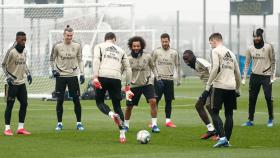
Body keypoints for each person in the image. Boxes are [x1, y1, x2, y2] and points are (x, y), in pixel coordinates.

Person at [92, 32, 133, 144]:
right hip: (116, 78)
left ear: (105, 39)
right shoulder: (121, 50)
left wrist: (95, 77)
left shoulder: (99, 46)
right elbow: (128, 69)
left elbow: (96, 60)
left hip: (102, 76)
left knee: (100, 102)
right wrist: (128, 86)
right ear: (114, 39)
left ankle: (111, 115)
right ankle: (122, 135)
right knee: (117, 106)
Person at [202, 33, 241, 147]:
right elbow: (237, 73)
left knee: (214, 112)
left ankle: (223, 138)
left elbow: (214, 69)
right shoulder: (232, 54)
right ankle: (227, 141)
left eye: (210, 43)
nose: (211, 46)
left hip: (219, 86)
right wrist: (237, 88)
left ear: (214, 41)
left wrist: (208, 86)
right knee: (229, 114)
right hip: (231, 87)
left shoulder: (215, 51)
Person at [50, 25, 85, 131]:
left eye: (71, 35)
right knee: (60, 100)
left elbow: (80, 60)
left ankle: (79, 123)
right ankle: (59, 123)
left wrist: (82, 73)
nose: (69, 37)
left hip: (73, 76)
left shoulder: (77, 46)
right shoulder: (57, 46)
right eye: (67, 35)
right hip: (61, 76)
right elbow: (52, 59)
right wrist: (53, 70)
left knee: (76, 100)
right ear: (64, 35)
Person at [124, 36, 160, 133]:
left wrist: (158, 77)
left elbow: (153, 67)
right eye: (134, 46)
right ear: (131, 47)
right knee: (129, 107)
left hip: (147, 84)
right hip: (133, 86)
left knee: (153, 101)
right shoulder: (128, 58)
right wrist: (124, 86)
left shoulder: (147, 56)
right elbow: (122, 71)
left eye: (138, 46)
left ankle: (154, 125)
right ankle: (126, 125)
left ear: (141, 46)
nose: (136, 48)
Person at [241, 28, 276, 127]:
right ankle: (250, 120)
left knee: (268, 97)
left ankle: (270, 119)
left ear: (261, 37)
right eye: (255, 36)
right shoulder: (250, 48)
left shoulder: (269, 47)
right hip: (254, 76)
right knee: (252, 98)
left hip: (266, 76)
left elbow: (273, 61)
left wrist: (272, 76)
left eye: (258, 36)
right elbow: (247, 63)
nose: (256, 38)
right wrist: (244, 77)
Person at [182, 50, 218, 140]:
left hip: (214, 86)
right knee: (199, 106)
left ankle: (219, 133)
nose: (187, 62)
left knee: (210, 107)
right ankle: (211, 130)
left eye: (187, 59)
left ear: (192, 57)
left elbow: (211, 68)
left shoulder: (199, 61)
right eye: (185, 61)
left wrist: (214, 82)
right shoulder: (194, 65)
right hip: (208, 87)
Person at [2, 31, 32, 136]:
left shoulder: (24, 51)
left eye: (25, 40)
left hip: (21, 83)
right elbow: (3, 65)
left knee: (24, 104)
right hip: (11, 84)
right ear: (17, 39)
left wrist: (28, 74)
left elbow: (24, 64)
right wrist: (8, 77)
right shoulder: (11, 51)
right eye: (21, 39)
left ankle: (20, 128)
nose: (24, 42)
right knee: (10, 105)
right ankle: (7, 129)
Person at [152, 33, 181, 128]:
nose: (165, 43)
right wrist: (154, 77)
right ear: (161, 41)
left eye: (166, 41)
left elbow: (178, 65)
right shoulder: (156, 52)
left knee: (168, 101)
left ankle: (168, 121)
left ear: (169, 41)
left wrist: (179, 79)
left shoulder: (174, 52)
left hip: (169, 79)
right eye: (163, 41)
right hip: (159, 79)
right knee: (155, 100)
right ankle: (153, 121)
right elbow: (151, 64)